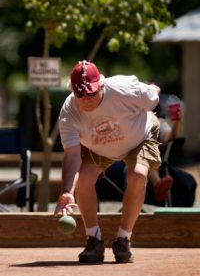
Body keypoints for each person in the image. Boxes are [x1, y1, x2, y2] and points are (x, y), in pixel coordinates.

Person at [54, 60, 161, 263]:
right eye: (80, 94)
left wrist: (152, 88)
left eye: (91, 93)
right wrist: (67, 191)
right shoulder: (69, 111)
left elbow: (153, 93)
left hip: (140, 136)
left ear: (101, 84)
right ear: (72, 90)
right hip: (98, 146)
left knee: (137, 174)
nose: (86, 99)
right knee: (84, 179)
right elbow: (72, 154)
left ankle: (123, 240)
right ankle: (94, 240)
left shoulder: (125, 89)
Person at [148, 101, 184, 203]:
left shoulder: (157, 121)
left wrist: (176, 122)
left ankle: (159, 185)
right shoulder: (130, 119)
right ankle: (158, 185)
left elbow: (169, 137)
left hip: (151, 163)